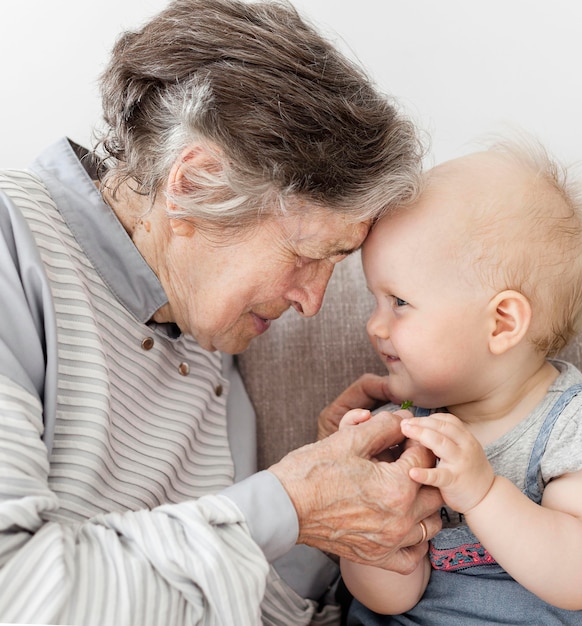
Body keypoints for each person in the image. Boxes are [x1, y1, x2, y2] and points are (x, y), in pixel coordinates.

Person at [0, 1, 444, 624]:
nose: (313, 303)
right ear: (196, 183)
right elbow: (16, 590)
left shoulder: (206, 335)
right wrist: (288, 505)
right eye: (305, 255)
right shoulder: (12, 247)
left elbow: (224, 598)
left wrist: (322, 524)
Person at [328, 137, 582, 624]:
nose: (374, 325)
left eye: (399, 302)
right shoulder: (400, 428)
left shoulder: (580, 431)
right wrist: (363, 506)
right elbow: (390, 598)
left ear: (502, 324)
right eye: (374, 300)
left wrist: (484, 494)